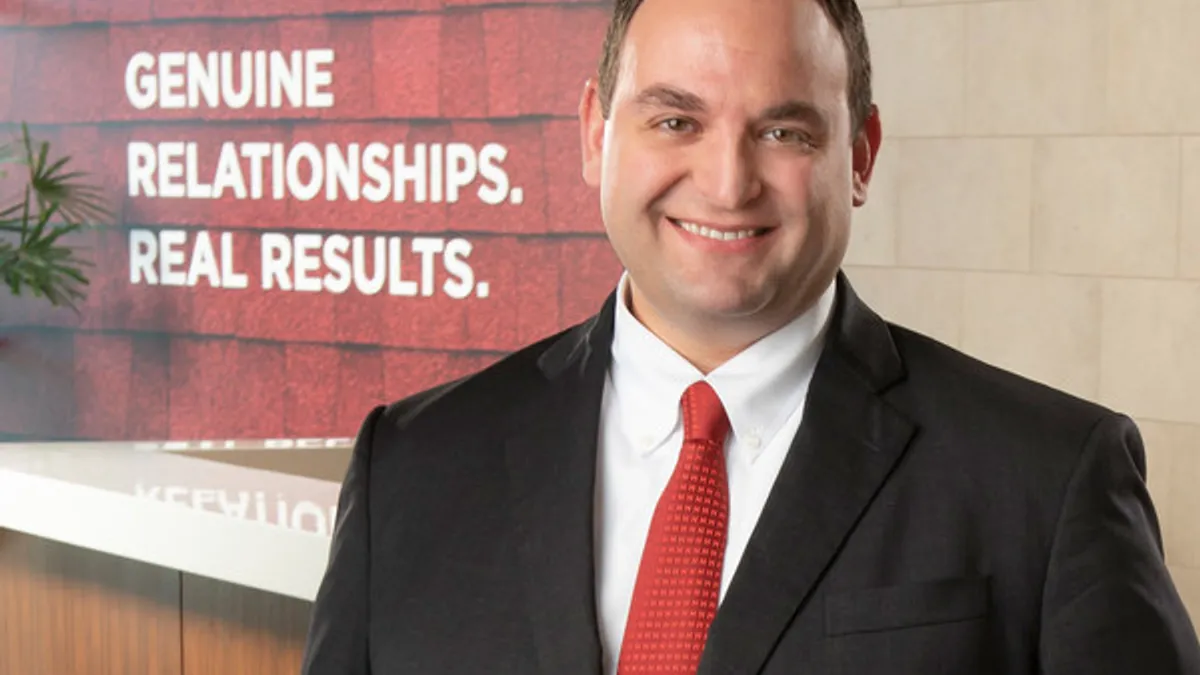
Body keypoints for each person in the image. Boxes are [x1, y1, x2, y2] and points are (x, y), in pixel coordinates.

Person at [300, 0, 1200, 672]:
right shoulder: (410, 468)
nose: (728, 184)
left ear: (861, 157)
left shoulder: (1046, 479)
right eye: (675, 120)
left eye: (783, 129)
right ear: (592, 135)